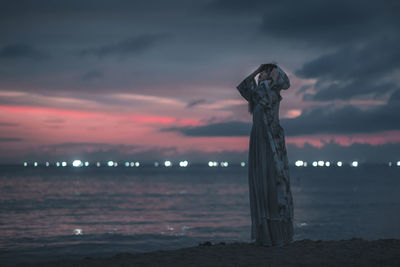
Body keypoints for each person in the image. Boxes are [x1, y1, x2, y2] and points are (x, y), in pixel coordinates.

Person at [236, 63, 294, 246]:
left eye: (263, 74)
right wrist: (257, 70)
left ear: (270, 76)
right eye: (259, 74)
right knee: (261, 182)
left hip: (271, 138)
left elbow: (285, 82)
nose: (259, 76)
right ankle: (265, 234)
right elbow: (244, 85)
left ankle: (277, 234)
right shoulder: (257, 92)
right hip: (258, 139)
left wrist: (272, 71)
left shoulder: (272, 90)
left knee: (274, 182)